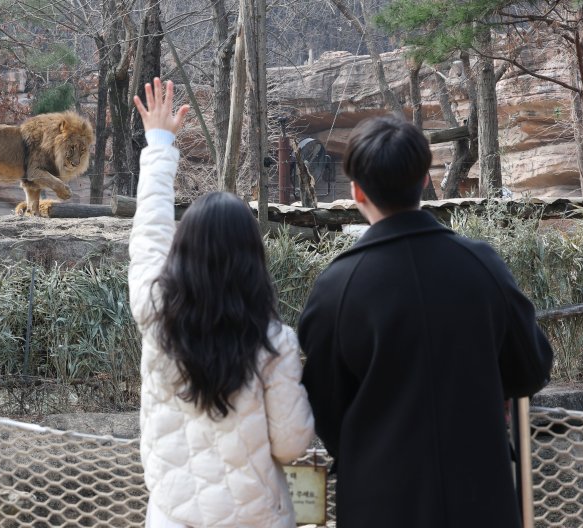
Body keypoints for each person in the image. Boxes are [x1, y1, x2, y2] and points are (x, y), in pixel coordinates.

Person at [298, 115, 553, 528]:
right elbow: (531, 368)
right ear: (423, 180)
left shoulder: (335, 288)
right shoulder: (481, 265)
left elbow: (325, 408)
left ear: (357, 191)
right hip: (481, 498)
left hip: (378, 504)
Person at [129, 78, 314, 528]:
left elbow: (149, 232)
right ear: (253, 259)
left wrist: (159, 144)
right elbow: (292, 446)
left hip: (172, 517)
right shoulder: (274, 342)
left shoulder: (156, 313)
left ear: (182, 251)